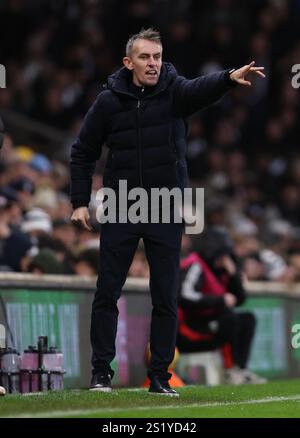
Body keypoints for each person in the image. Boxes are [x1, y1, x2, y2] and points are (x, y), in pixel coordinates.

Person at [70, 28, 265, 396]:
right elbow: (83, 151)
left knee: (165, 295)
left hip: (165, 207)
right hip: (122, 205)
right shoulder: (108, 102)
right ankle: (100, 374)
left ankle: (159, 376)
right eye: (145, 57)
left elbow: (199, 89)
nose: (153, 64)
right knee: (107, 291)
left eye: (158, 57)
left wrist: (227, 79)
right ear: (128, 63)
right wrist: (80, 201)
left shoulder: (174, 92)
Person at [177, 228, 266, 385]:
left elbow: (240, 299)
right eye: (221, 255)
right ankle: (230, 370)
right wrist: (220, 299)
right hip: (187, 330)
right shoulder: (195, 264)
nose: (223, 259)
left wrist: (233, 275)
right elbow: (185, 295)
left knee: (247, 318)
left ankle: (240, 369)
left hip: (210, 325)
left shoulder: (222, 270)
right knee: (228, 317)